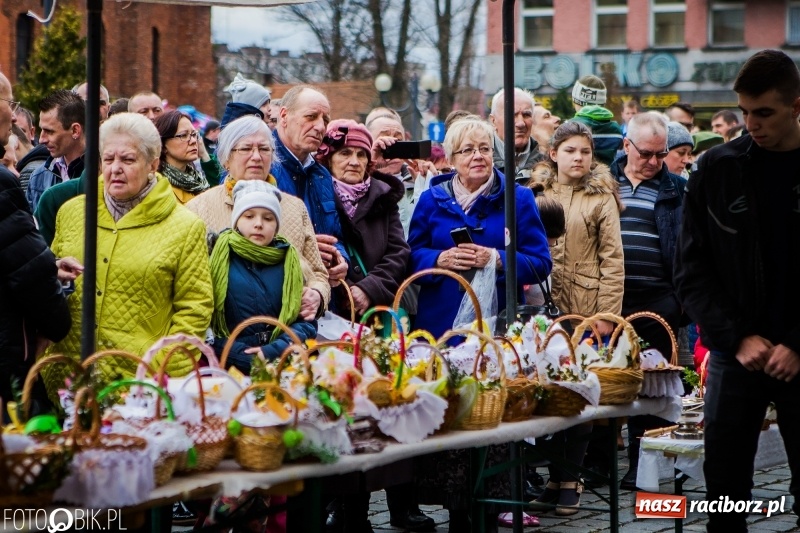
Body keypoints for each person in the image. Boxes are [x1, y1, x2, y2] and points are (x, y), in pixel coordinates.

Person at [675, 49, 800, 532]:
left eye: (764, 112)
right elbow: (691, 268)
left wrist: (797, 343)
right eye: (745, 112)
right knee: (725, 495)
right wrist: (736, 337)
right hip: (734, 353)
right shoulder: (717, 168)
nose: (751, 124)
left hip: (799, 353)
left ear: (796, 106)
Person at [41, 112, 213, 401]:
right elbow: (49, 281)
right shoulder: (72, 212)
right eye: (108, 159)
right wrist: (53, 271)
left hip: (139, 387)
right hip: (65, 378)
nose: (116, 169)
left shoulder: (185, 227)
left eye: (128, 160)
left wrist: (164, 367)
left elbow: (195, 308)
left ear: (153, 164)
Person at [527, 121, 624, 515]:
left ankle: (572, 477)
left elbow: (613, 260)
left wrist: (606, 317)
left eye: (585, 151)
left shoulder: (601, 197)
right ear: (554, 154)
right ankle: (554, 477)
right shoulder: (536, 193)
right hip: (546, 309)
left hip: (587, 311)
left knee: (580, 393)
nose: (578, 158)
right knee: (551, 393)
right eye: (570, 150)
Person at [408, 117, 551, 338]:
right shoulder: (431, 200)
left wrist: (496, 258)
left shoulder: (518, 199)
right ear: (451, 159)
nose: (478, 156)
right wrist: (439, 259)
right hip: (439, 327)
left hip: (499, 328)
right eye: (467, 150)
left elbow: (540, 264)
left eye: (484, 148)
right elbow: (411, 258)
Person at [185, 116, 331, 319]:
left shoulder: (294, 207)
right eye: (245, 149)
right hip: (225, 330)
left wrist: (317, 295)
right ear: (226, 159)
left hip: (288, 327)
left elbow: (318, 273)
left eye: (264, 149)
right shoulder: (198, 209)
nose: (256, 157)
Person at [611, 112, 687, 491]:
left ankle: (645, 466)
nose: (654, 162)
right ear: (626, 145)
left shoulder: (677, 189)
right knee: (612, 380)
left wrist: (679, 302)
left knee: (655, 385)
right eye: (646, 153)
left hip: (660, 299)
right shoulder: (604, 183)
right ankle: (600, 462)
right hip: (612, 299)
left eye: (661, 153)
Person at [0, 71, 71, 414]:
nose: (15, 116)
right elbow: (32, 278)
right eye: (9, 103)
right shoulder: (3, 184)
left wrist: (49, 266)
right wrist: (57, 321)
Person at [209, 180, 315, 372]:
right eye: (249, 216)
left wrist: (274, 350)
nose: (258, 224)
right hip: (230, 368)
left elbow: (306, 322)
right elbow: (204, 322)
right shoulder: (215, 259)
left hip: (283, 366)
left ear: (276, 225)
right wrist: (239, 355)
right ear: (237, 220)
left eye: (268, 218)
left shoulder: (291, 263)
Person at [317, 119, 410, 317]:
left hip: (373, 312)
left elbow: (398, 253)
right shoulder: (316, 194)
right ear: (329, 159)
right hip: (328, 309)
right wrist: (346, 291)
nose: (354, 162)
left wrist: (369, 289)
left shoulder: (383, 196)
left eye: (361, 155)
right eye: (345, 153)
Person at [271, 85, 349, 286]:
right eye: (311, 117)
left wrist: (341, 260)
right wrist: (307, 250)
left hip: (320, 292)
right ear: (284, 116)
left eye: (325, 120)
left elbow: (335, 236)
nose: (320, 127)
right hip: (276, 292)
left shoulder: (322, 175)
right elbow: (244, 238)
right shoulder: (259, 166)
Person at [26, 90, 86, 212]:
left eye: (49, 131)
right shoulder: (39, 177)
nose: (41, 140)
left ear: (75, 130)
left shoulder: (104, 173)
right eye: (41, 130)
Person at [154, 110, 220, 204]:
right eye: (184, 135)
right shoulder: (159, 188)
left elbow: (218, 191)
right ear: (163, 145)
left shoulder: (197, 179)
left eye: (194, 134)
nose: (193, 141)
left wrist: (204, 155)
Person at [489, 87, 544, 182]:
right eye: (512, 115)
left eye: (526, 115)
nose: (521, 123)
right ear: (493, 121)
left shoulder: (549, 163)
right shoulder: (479, 162)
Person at [570, 75, 623, 166]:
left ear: (576, 101)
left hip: (579, 174)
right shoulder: (616, 130)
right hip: (608, 174)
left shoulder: (570, 127)